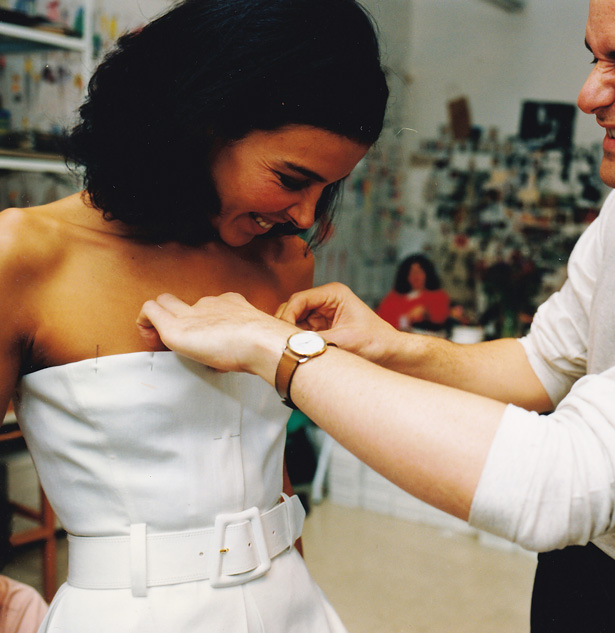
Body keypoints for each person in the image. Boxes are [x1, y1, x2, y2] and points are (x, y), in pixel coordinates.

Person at [136, 0, 615, 631]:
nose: (590, 94)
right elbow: (545, 363)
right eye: (594, 57)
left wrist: (280, 351)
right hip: (579, 576)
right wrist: (394, 347)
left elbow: (562, 479)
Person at [0, 0, 388, 630]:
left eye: (325, 188)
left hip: (293, 606)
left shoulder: (282, 263)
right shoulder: (24, 257)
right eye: (291, 178)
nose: (306, 218)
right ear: (199, 123)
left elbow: (270, 476)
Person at [376, 254, 451, 331]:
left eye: (419, 272)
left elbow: (440, 319)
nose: (415, 276)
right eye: (411, 272)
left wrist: (426, 312)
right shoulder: (393, 296)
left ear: (427, 274)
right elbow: (380, 320)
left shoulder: (438, 295)